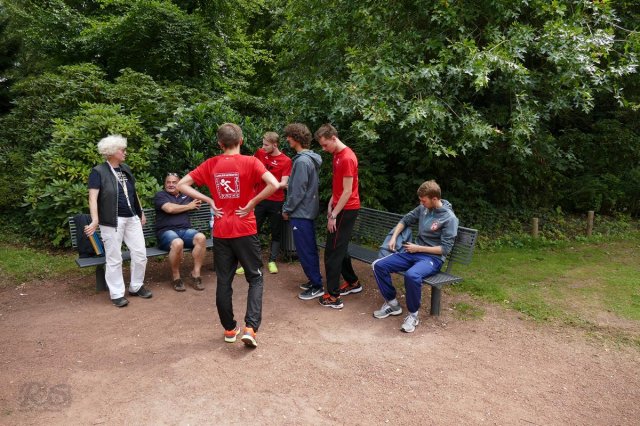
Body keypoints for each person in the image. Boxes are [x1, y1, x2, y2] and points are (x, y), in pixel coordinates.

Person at [177, 123, 278, 348]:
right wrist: (252, 202)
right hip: (245, 229)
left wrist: (209, 200)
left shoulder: (211, 164)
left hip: (222, 230)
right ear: (241, 141)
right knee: (255, 278)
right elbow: (273, 184)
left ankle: (230, 329)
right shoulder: (251, 162)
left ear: (220, 144)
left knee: (224, 280)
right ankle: (250, 328)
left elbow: (182, 184)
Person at [371, 180, 458, 333]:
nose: (421, 203)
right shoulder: (423, 208)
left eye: (424, 200)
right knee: (378, 265)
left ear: (434, 199)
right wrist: (393, 237)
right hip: (413, 251)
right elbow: (405, 220)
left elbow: (445, 249)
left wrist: (419, 248)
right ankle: (393, 304)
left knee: (412, 275)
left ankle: (413, 315)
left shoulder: (449, 218)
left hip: (432, 258)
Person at [84, 135, 152, 308]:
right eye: (122, 150)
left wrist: (140, 212)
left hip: (132, 218)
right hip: (112, 221)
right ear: (112, 151)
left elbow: (133, 192)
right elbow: (93, 198)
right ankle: (116, 294)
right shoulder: (98, 171)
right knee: (114, 258)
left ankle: (136, 286)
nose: (125, 152)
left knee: (140, 254)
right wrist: (95, 220)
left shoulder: (125, 168)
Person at [314, 124, 361, 309]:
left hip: (346, 210)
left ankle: (334, 297)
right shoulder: (337, 155)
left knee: (332, 252)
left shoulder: (347, 158)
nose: (324, 149)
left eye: (325, 145)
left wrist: (333, 214)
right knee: (339, 248)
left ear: (334, 138)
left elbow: (348, 191)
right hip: (339, 207)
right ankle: (353, 282)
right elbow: (339, 186)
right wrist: (331, 202)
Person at [236, 132, 292, 275]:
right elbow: (250, 169)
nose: (263, 147)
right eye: (263, 144)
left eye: (266, 145)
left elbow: (284, 183)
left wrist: (275, 184)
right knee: (253, 230)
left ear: (275, 145)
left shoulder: (286, 161)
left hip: (276, 202)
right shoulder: (260, 153)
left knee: (276, 231)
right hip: (259, 199)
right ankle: (251, 262)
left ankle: (272, 261)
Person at [281, 123, 324, 300]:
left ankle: (317, 285)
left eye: (289, 136)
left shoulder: (301, 161)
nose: (287, 139)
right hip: (307, 211)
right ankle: (314, 280)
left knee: (305, 250)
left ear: (296, 138)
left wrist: (287, 209)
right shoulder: (309, 158)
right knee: (309, 248)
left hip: (301, 213)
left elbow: (298, 191)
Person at [154, 173, 207, 292]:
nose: (171, 185)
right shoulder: (160, 195)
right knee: (178, 243)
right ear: (164, 184)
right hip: (166, 232)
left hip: (185, 231)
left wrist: (197, 201)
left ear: (180, 184)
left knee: (201, 237)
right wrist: (188, 206)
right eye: (168, 182)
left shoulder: (186, 196)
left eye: (174, 182)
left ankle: (196, 274)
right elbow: (169, 209)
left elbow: (200, 199)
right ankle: (176, 277)